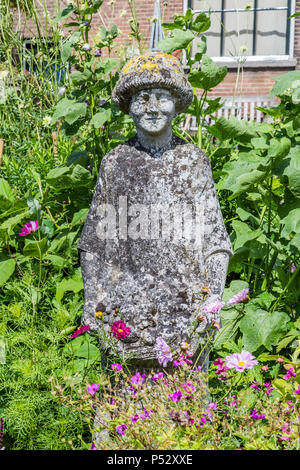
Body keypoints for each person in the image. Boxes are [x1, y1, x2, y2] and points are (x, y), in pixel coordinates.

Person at [78, 52, 233, 368]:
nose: (151, 108)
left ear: (176, 103)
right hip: (127, 316)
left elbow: (215, 242)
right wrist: (92, 300)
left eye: (161, 97)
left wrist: (211, 301)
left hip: (185, 315)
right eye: (142, 97)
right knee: (123, 410)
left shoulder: (193, 162)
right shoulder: (116, 164)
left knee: (185, 408)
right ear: (129, 105)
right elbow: (94, 246)